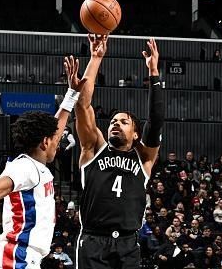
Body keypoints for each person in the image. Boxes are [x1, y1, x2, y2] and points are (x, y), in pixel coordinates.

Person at [0, 59, 86, 269]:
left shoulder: (35, 164)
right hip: (16, 256)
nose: (58, 141)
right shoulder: (25, 168)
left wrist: (71, 94)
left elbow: (57, 125)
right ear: (45, 142)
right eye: (55, 139)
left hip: (23, 256)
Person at [69, 35, 164, 269]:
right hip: (93, 241)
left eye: (124, 122)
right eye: (113, 121)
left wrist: (153, 73)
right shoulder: (93, 148)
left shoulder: (144, 159)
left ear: (135, 134)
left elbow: (156, 120)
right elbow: (83, 104)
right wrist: (95, 58)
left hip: (128, 243)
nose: (115, 123)